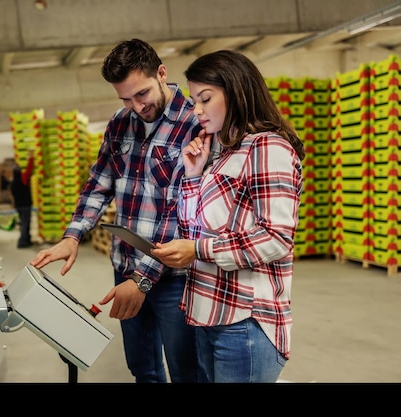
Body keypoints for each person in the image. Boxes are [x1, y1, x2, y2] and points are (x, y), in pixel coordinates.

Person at [30, 38, 204, 383]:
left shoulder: (194, 124)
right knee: (143, 369)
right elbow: (100, 183)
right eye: (125, 98)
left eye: (141, 94)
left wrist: (142, 279)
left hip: (174, 278)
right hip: (125, 268)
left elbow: (185, 214)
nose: (137, 106)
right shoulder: (120, 122)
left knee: (187, 372)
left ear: (162, 73)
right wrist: (73, 235)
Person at [150, 50, 306, 383]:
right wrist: (193, 176)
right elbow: (196, 227)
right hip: (210, 314)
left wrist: (198, 251)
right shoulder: (225, 153)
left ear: (235, 91)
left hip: (245, 321)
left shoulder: (267, 148)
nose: (198, 111)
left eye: (206, 98)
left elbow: (276, 238)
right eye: (194, 101)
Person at [10, 150, 34, 248]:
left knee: (25, 222)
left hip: (18, 206)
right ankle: (22, 242)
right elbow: (29, 170)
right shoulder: (23, 179)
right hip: (25, 205)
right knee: (25, 223)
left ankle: (27, 240)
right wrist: (31, 157)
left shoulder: (12, 183)